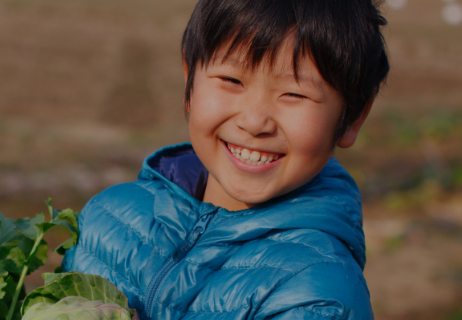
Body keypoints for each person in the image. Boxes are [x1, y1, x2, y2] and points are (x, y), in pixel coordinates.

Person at [61, 0, 390, 319]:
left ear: (354, 117)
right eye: (232, 80)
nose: (254, 121)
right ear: (190, 82)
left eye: (295, 94)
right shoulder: (106, 218)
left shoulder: (315, 294)